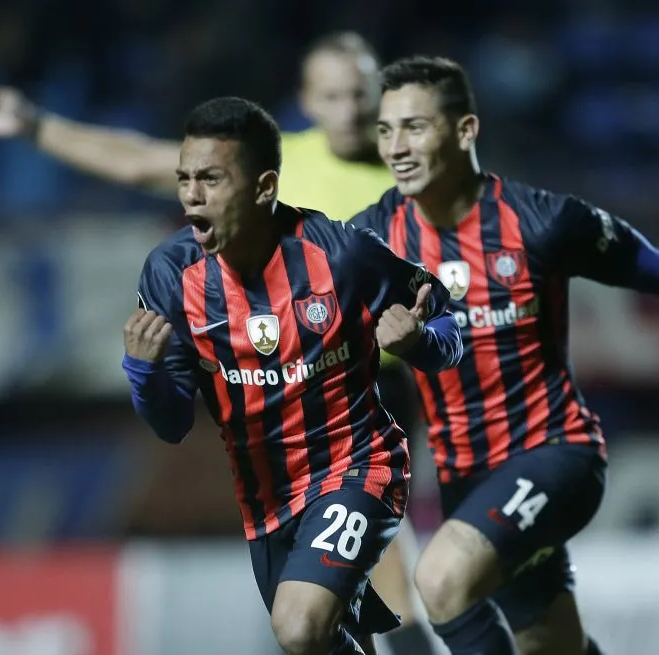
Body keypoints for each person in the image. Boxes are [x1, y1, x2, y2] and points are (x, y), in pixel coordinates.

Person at [0, 33, 436, 654]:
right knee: (325, 606)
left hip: (379, 381)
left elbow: (465, 278)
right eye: (333, 95)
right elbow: (135, 159)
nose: (351, 108)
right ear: (307, 101)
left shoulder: (419, 170)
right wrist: (35, 125)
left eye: (361, 93)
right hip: (274, 400)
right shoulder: (265, 168)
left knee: (391, 569)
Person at [345, 56, 659, 655]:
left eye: (415, 127)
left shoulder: (541, 222)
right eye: (386, 131)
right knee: (550, 644)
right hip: (467, 481)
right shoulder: (373, 240)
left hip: (556, 455)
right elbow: (296, 312)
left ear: (464, 131)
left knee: (439, 579)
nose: (397, 147)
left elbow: (657, 270)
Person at [120, 95, 462, 655]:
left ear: (262, 187)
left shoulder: (342, 255)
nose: (190, 195)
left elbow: (446, 319)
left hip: (358, 467)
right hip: (267, 500)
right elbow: (172, 422)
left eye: (211, 178)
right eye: (184, 178)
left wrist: (420, 340)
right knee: (322, 641)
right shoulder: (171, 272)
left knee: (298, 625)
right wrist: (144, 371)